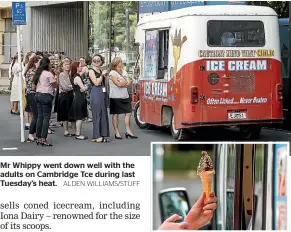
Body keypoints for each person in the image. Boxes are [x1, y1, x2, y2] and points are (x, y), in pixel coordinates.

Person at [108, 57, 137, 139]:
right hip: (115, 96)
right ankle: (116, 132)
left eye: (121, 61)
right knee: (116, 114)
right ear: (115, 63)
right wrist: (124, 83)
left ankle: (128, 131)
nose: (121, 63)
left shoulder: (124, 72)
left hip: (125, 95)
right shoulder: (112, 73)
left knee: (128, 112)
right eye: (120, 62)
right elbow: (118, 84)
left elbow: (129, 83)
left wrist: (123, 83)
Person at [33, 57, 58, 146]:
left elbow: (34, 85)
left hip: (38, 95)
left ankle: (38, 137)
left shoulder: (38, 73)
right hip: (46, 95)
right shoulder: (48, 74)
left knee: (40, 116)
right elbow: (55, 85)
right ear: (47, 64)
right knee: (46, 117)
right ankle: (44, 138)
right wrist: (56, 76)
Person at [88, 54, 110, 143]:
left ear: (101, 62)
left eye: (98, 60)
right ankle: (97, 135)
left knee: (103, 113)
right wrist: (102, 75)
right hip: (96, 92)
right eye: (94, 60)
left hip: (102, 92)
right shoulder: (91, 71)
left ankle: (103, 134)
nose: (96, 62)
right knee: (97, 114)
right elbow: (96, 83)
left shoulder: (101, 70)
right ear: (92, 61)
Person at [24, 55, 42, 142]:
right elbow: (33, 86)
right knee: (36, 115)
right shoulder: (32, 72)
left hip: (32, 94)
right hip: (32, 94)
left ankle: (32, 133)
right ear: (35, 63)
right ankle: (31, 134)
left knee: (35, 114)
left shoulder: (33, 71)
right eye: (39, 62)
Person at [70, 62, 88, 140]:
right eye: (80, 66)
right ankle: (78, 134)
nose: (82, 67)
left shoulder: (75, 76)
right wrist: (86, 87)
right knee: (79, 117)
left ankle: (77, 133)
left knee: (78, 116)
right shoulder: (77, 77)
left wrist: (83, 88)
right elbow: (83, 88)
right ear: (76, 68)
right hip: (79, 98)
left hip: (77, 97)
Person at [57, 59, 75, 136]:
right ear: (62, 66)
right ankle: (66, 130)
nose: (67, 66)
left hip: (71, 95)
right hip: (64, 95)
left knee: (73, 112)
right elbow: (65, 87)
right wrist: (74, 86)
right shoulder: (62, 74)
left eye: (68, 64)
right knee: (65, 114)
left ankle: (74, 130)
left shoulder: (71, 74)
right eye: (65, 65)